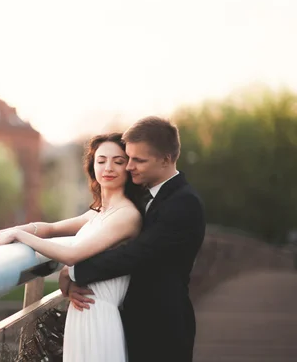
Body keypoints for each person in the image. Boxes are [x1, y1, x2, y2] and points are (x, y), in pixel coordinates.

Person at [60, 116, 206, 362]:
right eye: (128, 158)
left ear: (166, 159)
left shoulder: (184, 203)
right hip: (132, 320)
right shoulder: (145, 197)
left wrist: (73, 271)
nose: (128, 167)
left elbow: (136, 255)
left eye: (138, 160)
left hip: (163, 327)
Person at [0, 132, 144, 362]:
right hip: (81, 313)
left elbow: (72, 255)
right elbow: (52, 228)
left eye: (118, 161)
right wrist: (17, 229)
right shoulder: (98, 213)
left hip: (100, 318)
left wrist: (19, 235)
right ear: (93, 166)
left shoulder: (127, 215)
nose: (108, 167)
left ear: (129, 167)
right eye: (101, 161)